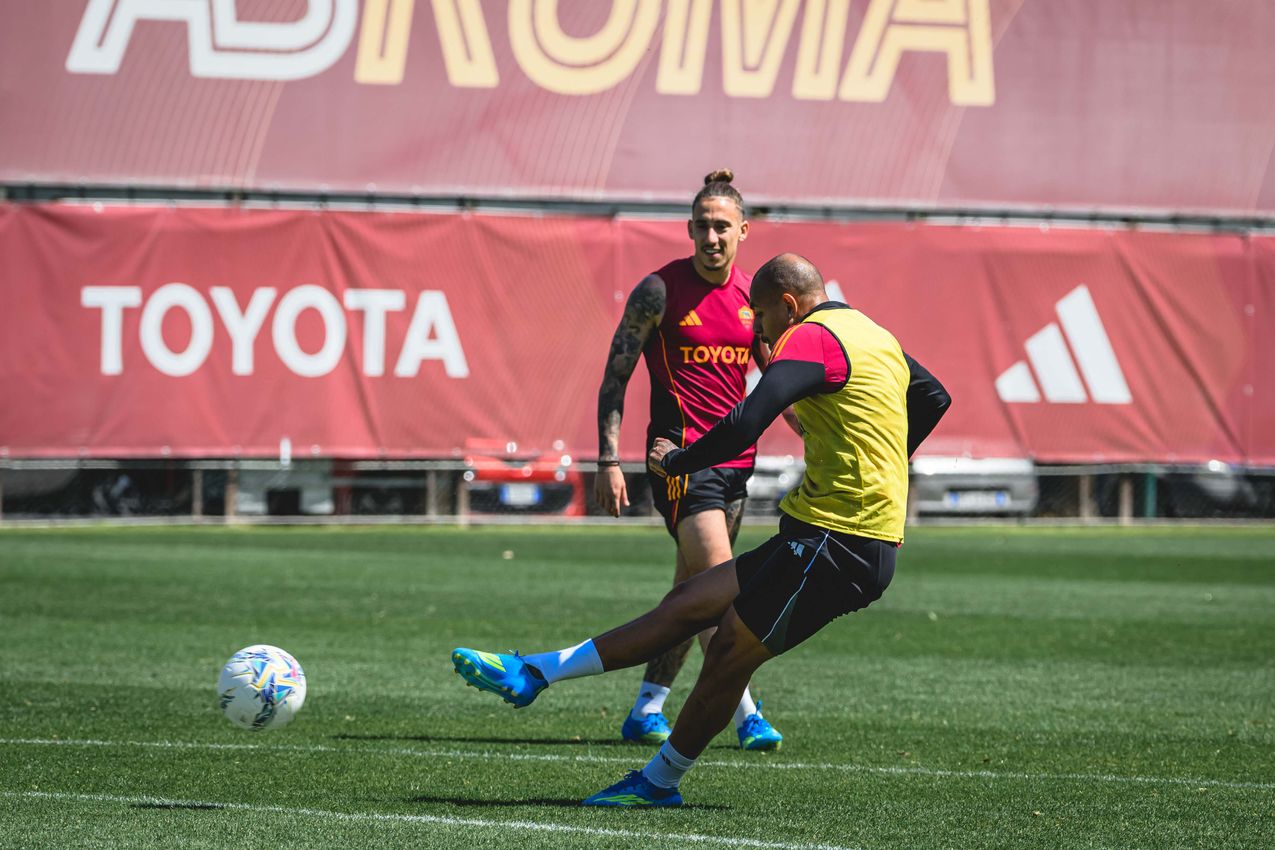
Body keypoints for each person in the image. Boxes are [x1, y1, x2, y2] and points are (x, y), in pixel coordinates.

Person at [452, 253, 951, 807]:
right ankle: (534, 672)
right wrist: (885, 463)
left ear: (788, 306)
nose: (759, 333)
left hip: (839, 541)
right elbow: (934, 396)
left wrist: (678, 462)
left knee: (729, 651)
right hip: (824, 535)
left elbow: (747, 420)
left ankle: (658, 782)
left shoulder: (808, 336)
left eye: (761, 317)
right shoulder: (872, 334)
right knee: (690, 601)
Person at [592, 168, 784, 750]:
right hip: (679, 464)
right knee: (723, 591)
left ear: (743, 231)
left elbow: (778, 380)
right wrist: (608, 461)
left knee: (692, 593)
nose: (711, 237)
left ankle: (647, 707)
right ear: (689, 229)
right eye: (702, 226)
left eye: (722, 226)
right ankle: (747, 713)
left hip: (737, 467)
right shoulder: (658, 291)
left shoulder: (754, 297)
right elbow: (615, 379)